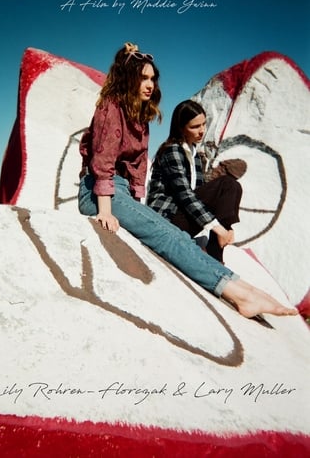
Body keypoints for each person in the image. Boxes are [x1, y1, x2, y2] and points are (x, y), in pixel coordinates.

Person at [78, 42, 297, 319]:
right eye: (143, 78)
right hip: (98, 193)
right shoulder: (112, 107)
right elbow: (102, 162)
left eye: (152, 78)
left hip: (119, 193)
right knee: (168, 236)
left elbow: (136, 169)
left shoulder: (140, 118)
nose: (150, 84)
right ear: (127, 79)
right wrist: (106, 211)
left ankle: (245, 288)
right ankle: (239, 293)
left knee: (179, 235)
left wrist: (135, 207)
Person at [147, 99, 245, 263]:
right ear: (181, 128)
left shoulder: (196, 156)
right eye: (195, 127)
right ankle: (216, 252)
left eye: (204, 124)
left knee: (233, 186)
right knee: (226, 184)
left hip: (181, 216)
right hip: (165, 218)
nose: (202, 131)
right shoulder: (172, 150)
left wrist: (225, 226)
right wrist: (218, 228)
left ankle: (216, 252)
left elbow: (200, 194)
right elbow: (185, 194)